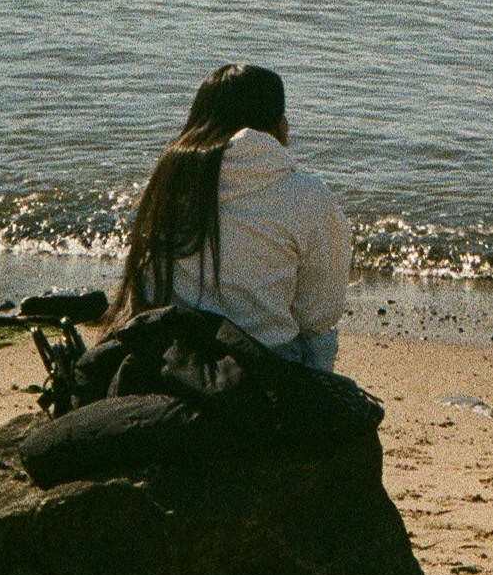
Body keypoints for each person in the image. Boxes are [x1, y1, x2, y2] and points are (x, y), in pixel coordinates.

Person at [104, 61, 350, 373]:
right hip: (262, 366)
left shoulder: (170, 177)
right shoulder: (308, 194)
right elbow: (319, 313)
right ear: (280, 124)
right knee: (321, 337)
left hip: (172, 354)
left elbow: (148, 288)